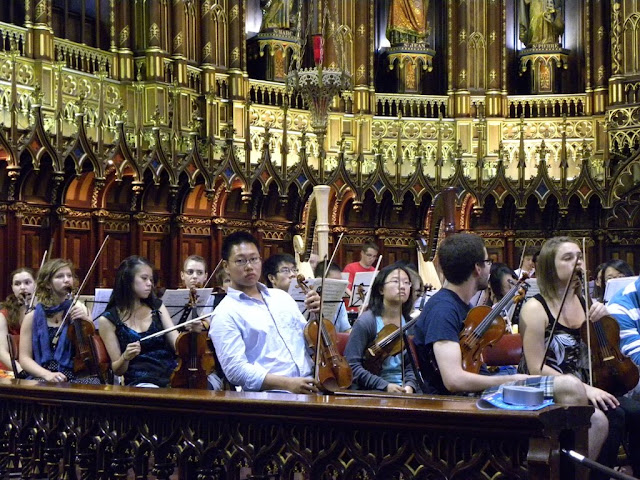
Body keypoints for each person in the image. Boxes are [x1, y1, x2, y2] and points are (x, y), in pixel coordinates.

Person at [411, 234, 595, 448]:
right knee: (570, 386)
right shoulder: (443, 309)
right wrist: (511, 379)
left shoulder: (461, 306)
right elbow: (454, 380)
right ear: (477, 268)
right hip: (461, 403)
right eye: (488, 262)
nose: (490, 268)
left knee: (597, 419)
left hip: (481, 391)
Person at [518, 236, 640, 472]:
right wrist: (585, 389)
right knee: (614, 418)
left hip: (585, 386)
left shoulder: (584, 302)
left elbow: (599, 348)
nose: (578, 263)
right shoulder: (535, 308)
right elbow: (535, 368)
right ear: (549, 266)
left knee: (636, 411)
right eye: (568, 258)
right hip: (547, 387)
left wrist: (605, 317)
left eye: (580, 257)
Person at [209, 231, 321, 393]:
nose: (249, 267)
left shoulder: (282, 297)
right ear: (226, 266)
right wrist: (287, 384)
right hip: (268, 398)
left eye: (254, 259)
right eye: (241, 261)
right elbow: (235, 370)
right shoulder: (225, 313)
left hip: (309, 387)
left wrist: (316, 314)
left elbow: (308, 343)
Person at [98, 256, 179, 387]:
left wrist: (191, 333)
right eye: (144, 278)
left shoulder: (157, 307)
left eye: (151, 280)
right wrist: (125, 357)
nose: (150, 284)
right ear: (128, 280)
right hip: (141, 382)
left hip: (172, 376)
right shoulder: (108, 320)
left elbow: (177, 345)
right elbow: (118, 370)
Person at [18, 259, 101, 384]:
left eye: (69, 276)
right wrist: (47, 375)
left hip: (74, 374)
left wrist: (86, 321)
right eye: (60, 276)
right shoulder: (31, 317)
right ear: (47, 284)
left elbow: (92, 350)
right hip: (43, 373)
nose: (67, 280)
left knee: (94, 383)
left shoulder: (80, 309)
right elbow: (24, 358)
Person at [344, 264, 418, 393]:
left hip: (404, 391)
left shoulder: (410, 324)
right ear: (381, 289)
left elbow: (412, 366)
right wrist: (385, 386)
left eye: (407, 283)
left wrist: (410, 386)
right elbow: (351, 365)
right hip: (372, 391)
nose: (402, 286)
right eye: (396, 281)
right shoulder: (366, 322)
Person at [0, 268, 36, 376]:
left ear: (36, 284)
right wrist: (21, 372)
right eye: (17, 284)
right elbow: (2, 351)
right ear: (12, 288)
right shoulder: (4, 314)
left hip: (37, 368)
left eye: (27, 282)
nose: (23, 287)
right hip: (11, 369)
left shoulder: (44, 311)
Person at [314, 261, 351, 333]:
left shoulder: (339, 301)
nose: (338, 286)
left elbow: (346, 330)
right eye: (334, 281)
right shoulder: (309, 302)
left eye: (340, 282)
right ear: (319, 280)